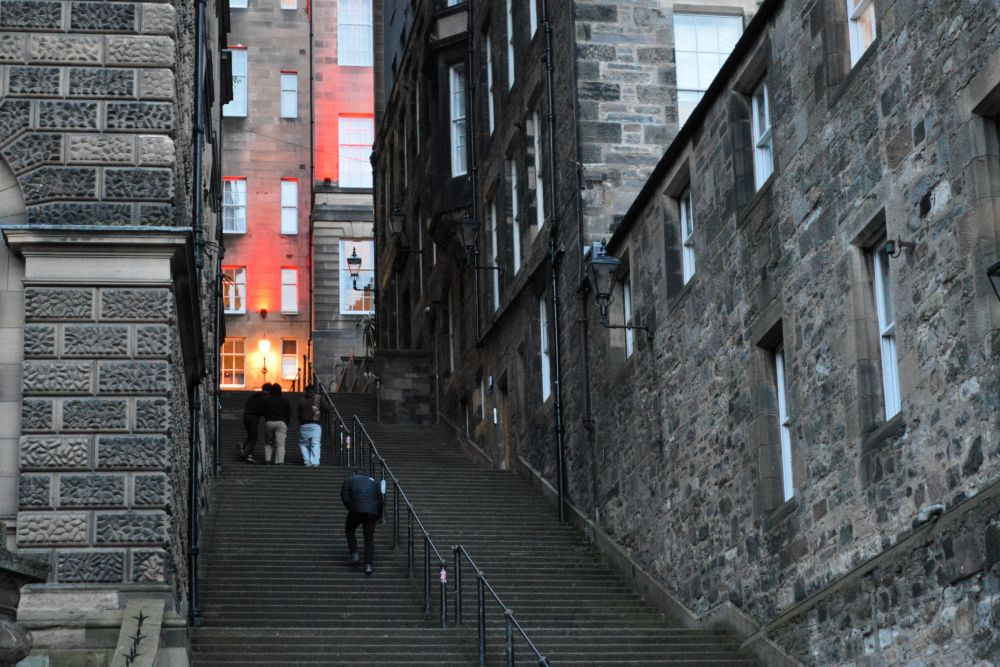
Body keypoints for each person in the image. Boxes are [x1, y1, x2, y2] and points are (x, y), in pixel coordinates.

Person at [340, 466, 384, 575]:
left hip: (356, 510)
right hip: (371, 512)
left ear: (354, 473)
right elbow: (380, 500)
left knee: (349, 530)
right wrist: (378, 515)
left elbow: (344, 496)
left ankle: (354, 553)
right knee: (369, 538)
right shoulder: (374, 483)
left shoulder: (349, 480)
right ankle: (368, 565)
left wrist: (352, 507)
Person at [240, 383, 270, 463]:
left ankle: (243, 447)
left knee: (250, 435)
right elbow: (261, 410)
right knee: (254, 437)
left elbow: (247, 405)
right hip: (253, 418)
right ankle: (250, 455)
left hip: (246, 416)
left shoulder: (253, 395)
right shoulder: (264, 398)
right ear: (268, 390)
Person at [263, 383, 290, 465]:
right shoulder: (285, 400)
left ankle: (268, 460)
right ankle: (279, 461)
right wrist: (286, 423)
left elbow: (263, 411)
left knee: (268, 443)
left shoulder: (267, 400)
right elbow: (288, 413)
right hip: (281, 422)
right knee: (280, 444)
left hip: (269, 422)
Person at [297, 384, 322, 467]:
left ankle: (307, 461)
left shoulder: (301, 400)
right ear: (314, 390)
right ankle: (315, 462)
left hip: (303, 424)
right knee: (315, 443)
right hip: (315, 424)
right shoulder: (318, 397)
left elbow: (298, 414)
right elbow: (327, 408)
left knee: (303, 444)